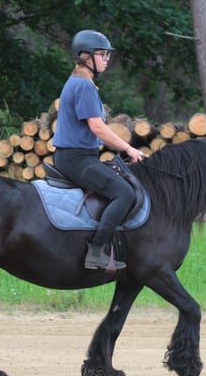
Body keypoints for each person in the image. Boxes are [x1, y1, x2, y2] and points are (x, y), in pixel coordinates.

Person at [52, 29, 145, 270]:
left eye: (107, 55)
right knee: (125, 194)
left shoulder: (81, 82)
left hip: (76, 156)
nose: (107, 59)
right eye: (102, 54)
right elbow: (97, 127)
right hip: (76, 159)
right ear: (85, 57)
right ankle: (96, 251)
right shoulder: (83, 86)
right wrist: (129, 149)